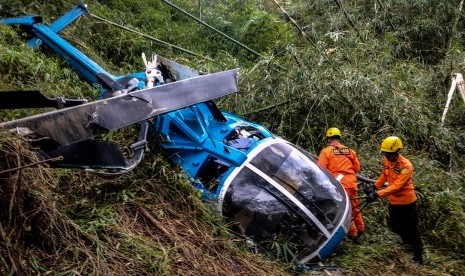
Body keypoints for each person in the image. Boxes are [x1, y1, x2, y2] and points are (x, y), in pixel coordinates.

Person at [366, 136, 424, 265]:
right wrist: (374, 187)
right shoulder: (387, 161)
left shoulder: (406, 166)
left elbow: (397, 186)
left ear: (397, 152)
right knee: (395, 226)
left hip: (407, 203)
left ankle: (418, 257)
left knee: (411, 230)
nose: (387, 156)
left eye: (389, 154)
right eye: (385, 154)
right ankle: (407, 244)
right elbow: (384, 175)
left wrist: (377, 194)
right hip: (394, 203)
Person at [318, 127, 364, 242]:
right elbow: (357, 168)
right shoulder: (350, 151)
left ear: (329, 139)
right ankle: (361, 228)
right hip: (352, 182)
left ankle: (353, 234)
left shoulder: (326, 151)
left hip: (340, 184)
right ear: (339, 138)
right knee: (354, 205)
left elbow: (320, 169)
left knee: (345, 208)